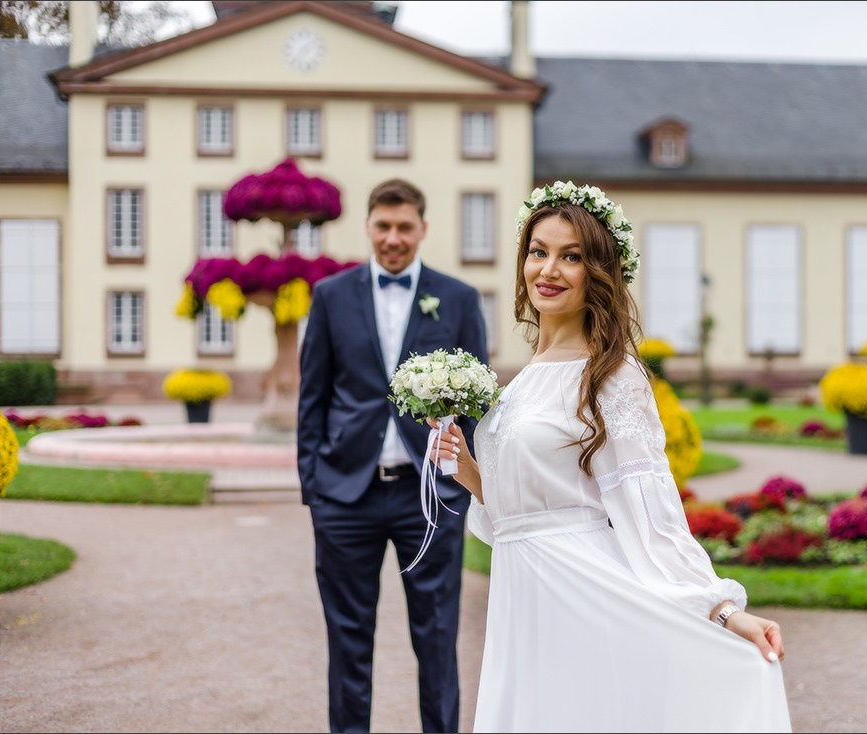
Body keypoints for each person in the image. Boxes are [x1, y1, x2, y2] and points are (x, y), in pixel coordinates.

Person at [429, 181, 793, 732]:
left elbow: (651, 508)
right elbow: (519, 510)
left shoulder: (611, 375)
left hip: (582, 588)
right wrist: (466, 469)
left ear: (597, 272)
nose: (548, 270)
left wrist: (720, 609)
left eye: (570, 256)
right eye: (538, 251)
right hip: (523, 589)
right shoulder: (525, 377)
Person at [297, 177, 489, 734]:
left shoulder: (457, 299)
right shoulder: (331, 296)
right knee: (348, 639)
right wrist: (314, 484)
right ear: (368, 227)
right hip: (344, 497)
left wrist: (461, 482)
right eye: (383, 226)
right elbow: (313, 397)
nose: (394, 238)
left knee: (435, 637)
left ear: (422, 229)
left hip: (428, 498)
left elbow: (476, 404)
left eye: (405, 227)